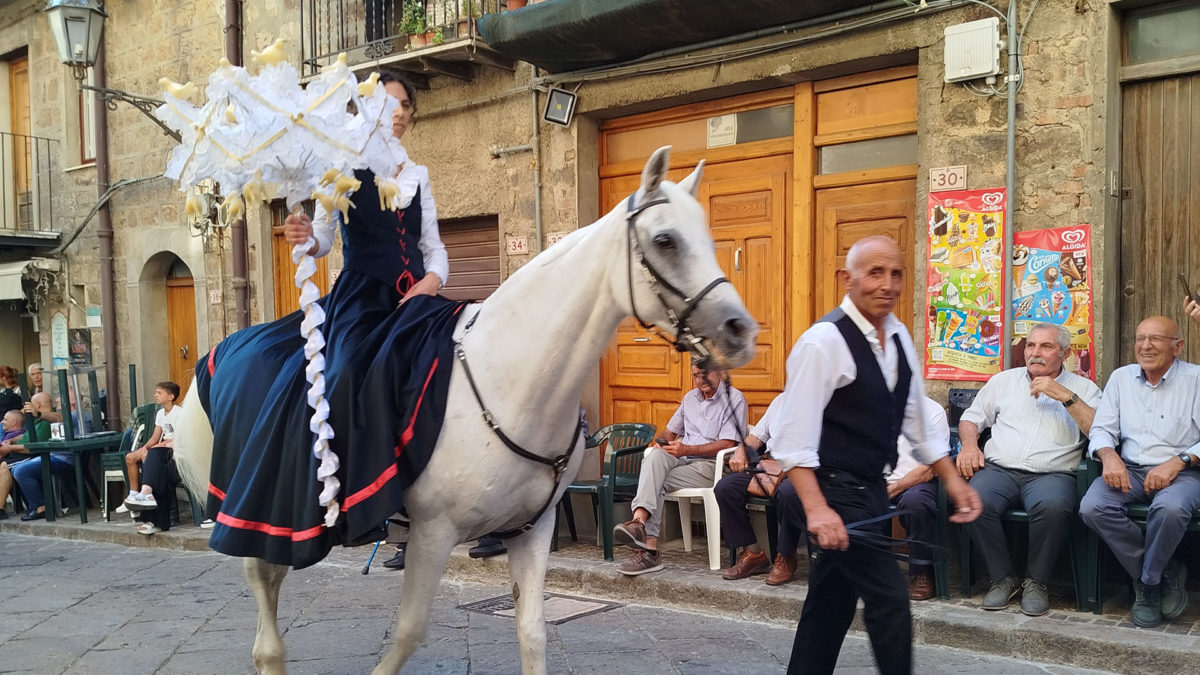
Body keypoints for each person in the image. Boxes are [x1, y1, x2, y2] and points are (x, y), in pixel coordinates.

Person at [194, 68, 462, 568]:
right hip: (362, 300)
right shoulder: (339, 167)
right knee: (340, 376)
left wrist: (429, 283)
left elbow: (434, 249)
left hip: (416, 300)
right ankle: (360, 499)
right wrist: (303, 236)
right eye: (390, 102)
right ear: (364, 108)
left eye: (406, 105)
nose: (400, 112)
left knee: (453, 365)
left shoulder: (417, 174)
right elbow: (323, 242)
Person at [769, 235, 981, 675]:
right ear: (848, 279)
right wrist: (817, 510)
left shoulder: (899, 336)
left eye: (896, 273)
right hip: (832, 494)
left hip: (869, 492)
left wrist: (953, 478)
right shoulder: (822, 343)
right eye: (875, 272)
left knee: (830, 607)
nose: (887, 284)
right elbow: (793, 439)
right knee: (890, 600)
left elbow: (914, 418)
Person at [957, 322, 1103, 615]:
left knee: (1052, 507)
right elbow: (971, 420)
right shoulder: (1003, 381)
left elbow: (1099, 431)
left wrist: (1064, 396)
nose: (1035, 353)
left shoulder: (1084, 388)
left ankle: (1037, 582)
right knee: (972, 500)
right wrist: (970, 446)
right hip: (1000, 470)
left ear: (1065, 353)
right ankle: (1003, 578)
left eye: (1046, 347)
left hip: (1053, 474)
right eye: (1030, 345)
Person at [1079, 315, 1200, 628]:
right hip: (1130, 468)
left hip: (1183, 472)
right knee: (1093, 507)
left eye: (1156, 339)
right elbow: (1102, 430)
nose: (1145, 346)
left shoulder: (1195, 379)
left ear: (1178, 347)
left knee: (1171, 508)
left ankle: (1146, 586)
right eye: (1140, 338)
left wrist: (1179, 462)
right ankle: (1164, 571)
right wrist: (1109, 456)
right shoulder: (1121, 378)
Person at [613, 359, 748, 576]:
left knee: (655, 480)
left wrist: (686, 449)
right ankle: (638, 523)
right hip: (684, 460)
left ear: (720, 372)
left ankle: (649, 550)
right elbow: (670, 432)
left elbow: (728, 444)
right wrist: (660, 442)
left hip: (713, 465)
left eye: (705, 374)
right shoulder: (689, 398)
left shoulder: (734, 399)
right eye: (695, 375)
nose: (700, 380)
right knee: (655, 458)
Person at [714, 394, 806, 585]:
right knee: (725, 488)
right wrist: (741, 452)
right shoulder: (782, 400)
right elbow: (757, 436)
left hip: (802, 468)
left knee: (789, 493)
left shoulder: (826, 402)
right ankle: (753, 553)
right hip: (771, 465)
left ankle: (786, 556)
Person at [887, 395, 951, 602]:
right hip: (875, 480)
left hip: (915, 482)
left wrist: (895, 487)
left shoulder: (931, 411)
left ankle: (921, 572)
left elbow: (930, 466)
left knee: (917, 503)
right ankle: (860, 567)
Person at [124, 382, 183, 535]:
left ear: (170, 397)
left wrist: (157, 447)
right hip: (164, 452)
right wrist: (145, 448)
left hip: (179, 454)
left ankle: (152, 519)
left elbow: (180, 439)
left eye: (159, 393)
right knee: (152, 459)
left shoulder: (179, 413)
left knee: (160, 472)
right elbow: (155, 437)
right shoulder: (160, 414)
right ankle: (146, 492)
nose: (155, 395)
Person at [9, 392, 67, 521]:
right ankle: (35, 506)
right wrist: (12, 440)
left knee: (20, 470)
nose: (58, 405)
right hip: (52, 455)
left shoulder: (69, 415)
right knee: (16, 469)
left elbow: (58, 418)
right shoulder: (42, 420)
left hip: (62, 458)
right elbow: (30, 434)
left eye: (58, 403)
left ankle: (40, 507)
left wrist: (38, 413)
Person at [0, 409, 45, 520]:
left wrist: (10, 447)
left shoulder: (44, 424)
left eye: (5, 419)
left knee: (4, 466)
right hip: (17, 456)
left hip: (28, 457)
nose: (2, 422)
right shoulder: (33, 424)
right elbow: (25, 435)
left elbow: (32, 447)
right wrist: (11, 441)